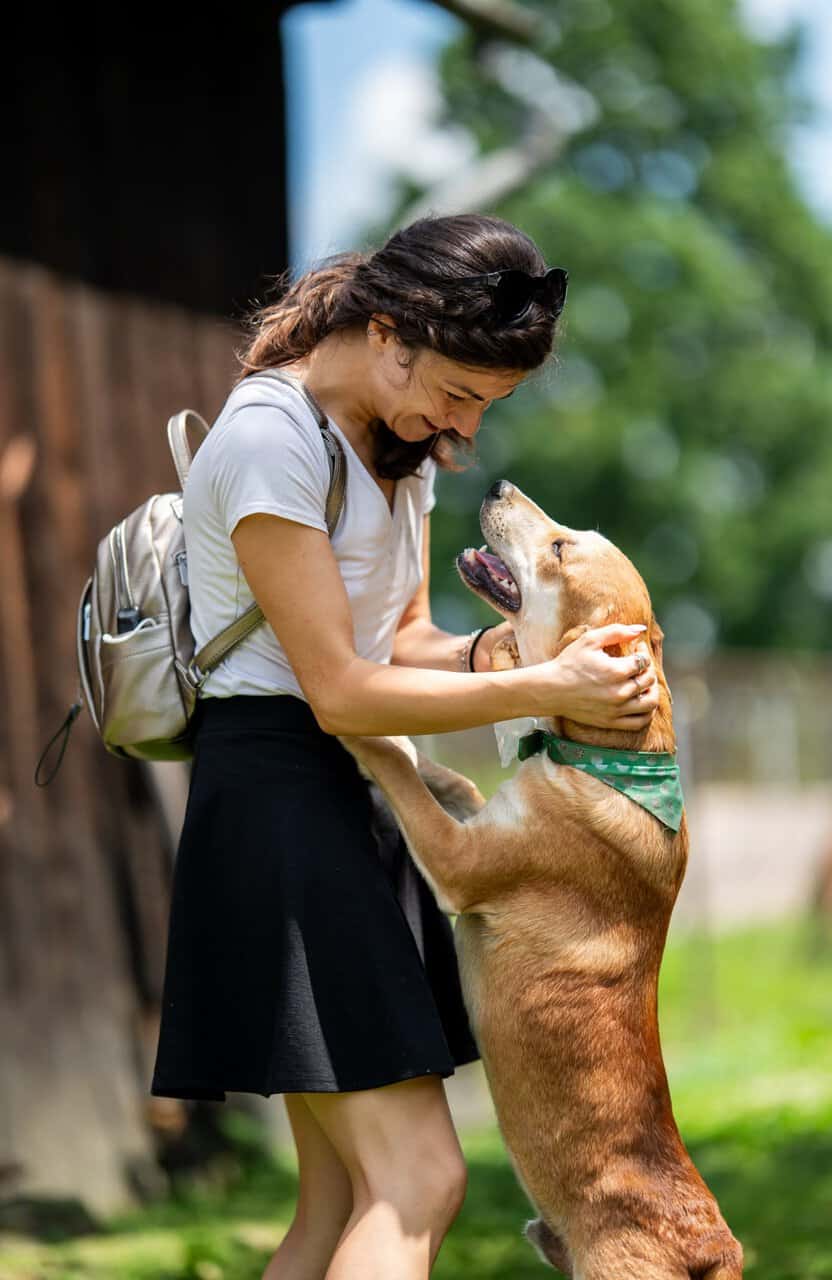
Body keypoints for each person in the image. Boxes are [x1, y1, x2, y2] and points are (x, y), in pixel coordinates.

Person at [150, 212, 659, 1280]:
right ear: (388, 333)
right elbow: (336, 688)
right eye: (458, 392)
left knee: (337, 1200)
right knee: (417, 1180)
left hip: (357, 801)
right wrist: (544, 683)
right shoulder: (267, 438)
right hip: (282, 801)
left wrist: (519, 651)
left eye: (486, 404)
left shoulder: (397, 445)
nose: (461, 427)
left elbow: (406, 637)